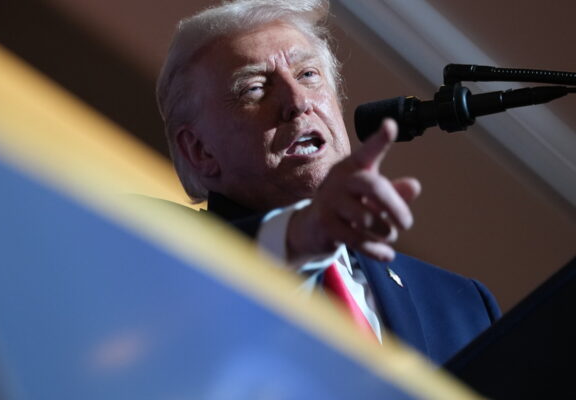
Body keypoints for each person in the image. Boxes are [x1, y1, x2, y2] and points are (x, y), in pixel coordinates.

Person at [156, 0, 500, 364]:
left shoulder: (460, 305)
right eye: (254, 89)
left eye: (307, 74)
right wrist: (299, 236)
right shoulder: (158, 252)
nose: (297, 101)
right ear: (200, 150)